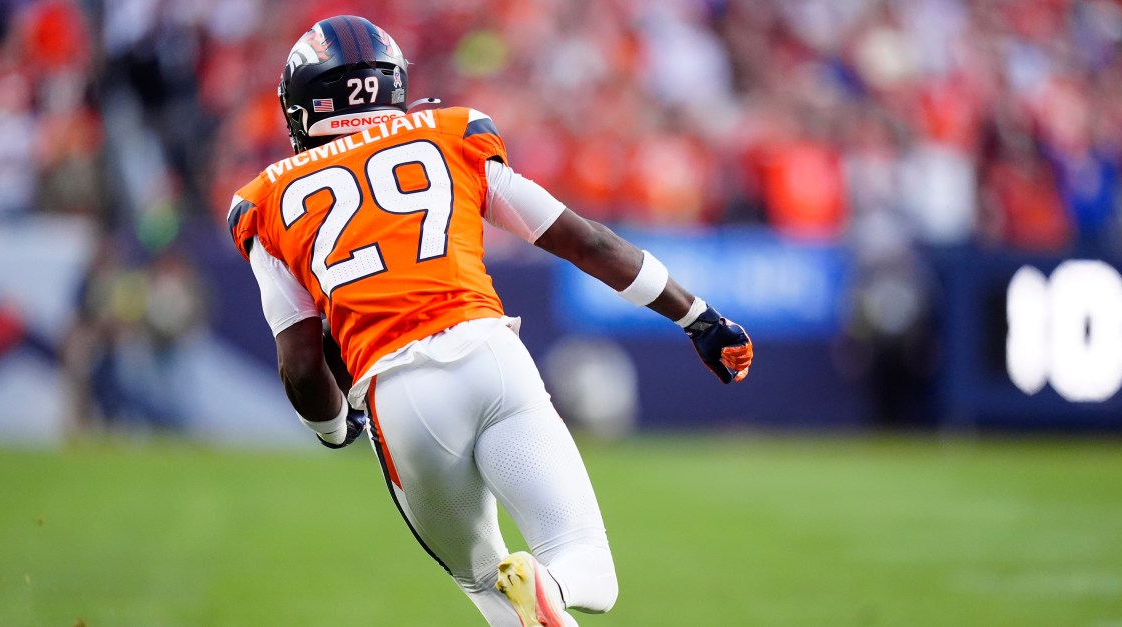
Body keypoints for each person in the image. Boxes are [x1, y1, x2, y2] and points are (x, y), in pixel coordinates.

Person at [227, 16, 752, 627]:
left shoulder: (265, 201)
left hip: (400, 395)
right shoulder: (451, 137)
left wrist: (333, 428)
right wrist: (700, 318)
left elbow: (300, 365)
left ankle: (542, 588)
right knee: (587, 572)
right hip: (492, 358)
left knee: (484, 582)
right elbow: (589, 243)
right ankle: (552, 583)